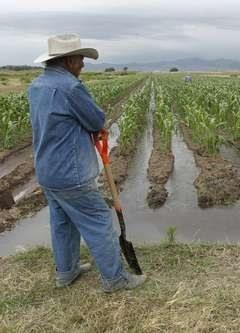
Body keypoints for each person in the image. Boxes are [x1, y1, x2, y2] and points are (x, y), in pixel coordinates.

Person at [28, 34, 146, 292]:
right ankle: (115, 280)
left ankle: (66, 272)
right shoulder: (71, 87)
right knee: (98, 220)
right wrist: (95, 128)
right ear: (69, 60)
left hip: (47, 170)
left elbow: (58, 123)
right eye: (80, 59)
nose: (82, 64)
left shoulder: (36, 86)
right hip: (72, 173)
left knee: (62, 222)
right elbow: (94, 119)